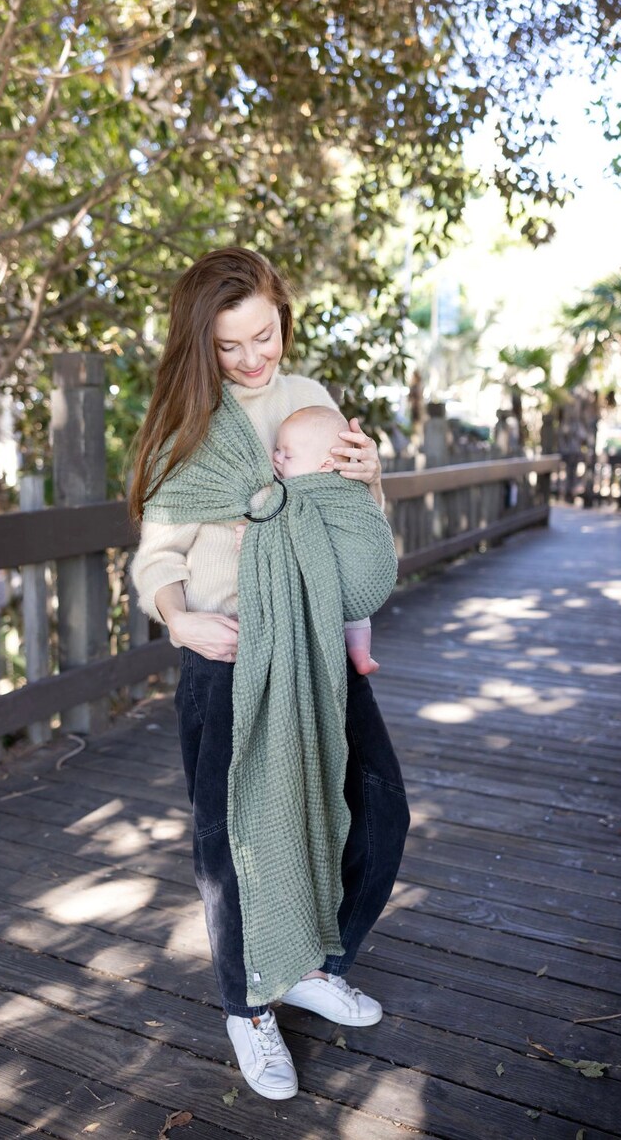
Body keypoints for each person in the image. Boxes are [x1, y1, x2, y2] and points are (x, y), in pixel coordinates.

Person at [129, 247, 410, 1102]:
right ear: (199, 345)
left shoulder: (310, 396)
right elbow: (158, 556)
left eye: (265, 335)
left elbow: (348, 510)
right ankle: (247, 1007)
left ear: (284, 317)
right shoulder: (189, 426)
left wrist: (372, 476)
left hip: (315, 638)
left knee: (378, 806)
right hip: (227, 650)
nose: (254, 358)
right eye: (230, 346)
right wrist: (179, 618)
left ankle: (315, 965)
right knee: (231, 841)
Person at [233, 403, 381, 674]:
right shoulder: (311, 487)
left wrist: (253, 539)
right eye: (277, 449)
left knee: (345, 596)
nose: (276, 458)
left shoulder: (307, 496)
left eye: (287, 455)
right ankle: (361, 654)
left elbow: (364, 521)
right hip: (327, 587)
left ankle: (361, 655)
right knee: (354, 617)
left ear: (325, 465)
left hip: (342, 577)